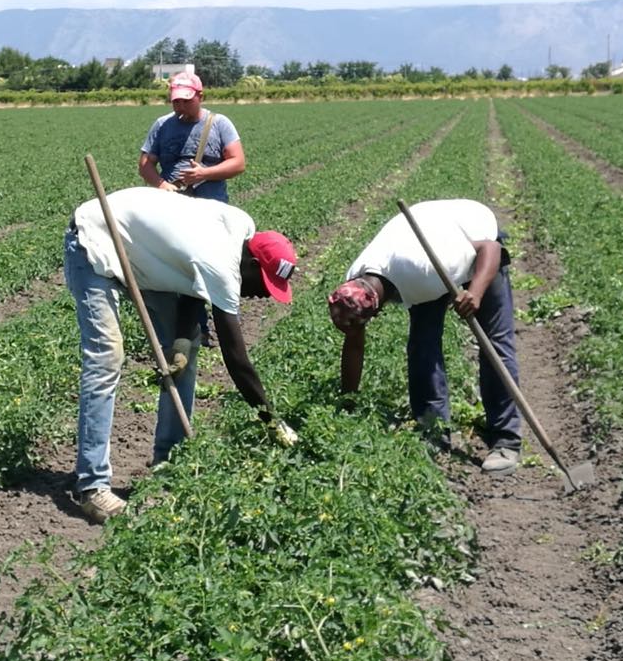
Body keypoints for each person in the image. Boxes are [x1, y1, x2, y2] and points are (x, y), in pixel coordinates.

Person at [65, 186, 298, 523]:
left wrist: (181, 343)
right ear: (250, 262)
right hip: (97, 240)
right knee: (106, 358)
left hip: (145, 258)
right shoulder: (221, 264)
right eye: (262, 284)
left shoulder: (242, 228)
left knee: (186, 354)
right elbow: (237, 360)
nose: (262, 295)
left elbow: (192, 284)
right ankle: (92, 487)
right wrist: (272, 421)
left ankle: (169, 462)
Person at [327, 199, 522, 475]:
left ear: (377, 310)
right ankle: (434, 432)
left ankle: (506, 440)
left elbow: (490, 249)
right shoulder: (355, 279)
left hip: (474, 233)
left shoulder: (423, 272)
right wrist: (347, 401)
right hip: (428, 242)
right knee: (422, 345)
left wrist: (475, 292)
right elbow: (354, 343)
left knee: (493, 342)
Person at [139, 70, 246, 347]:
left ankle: (227, 323)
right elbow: (145, 164)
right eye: (176, 101)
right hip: (173, 211)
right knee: (182, 268)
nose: (180, 106)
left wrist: (204, 174)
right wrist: (162, 185)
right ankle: (195, 328)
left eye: (186, 101)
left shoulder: (219, 124)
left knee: (217, 266)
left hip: (212, 211)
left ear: (200, 96)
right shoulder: (162, 126)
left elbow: (238, 163)